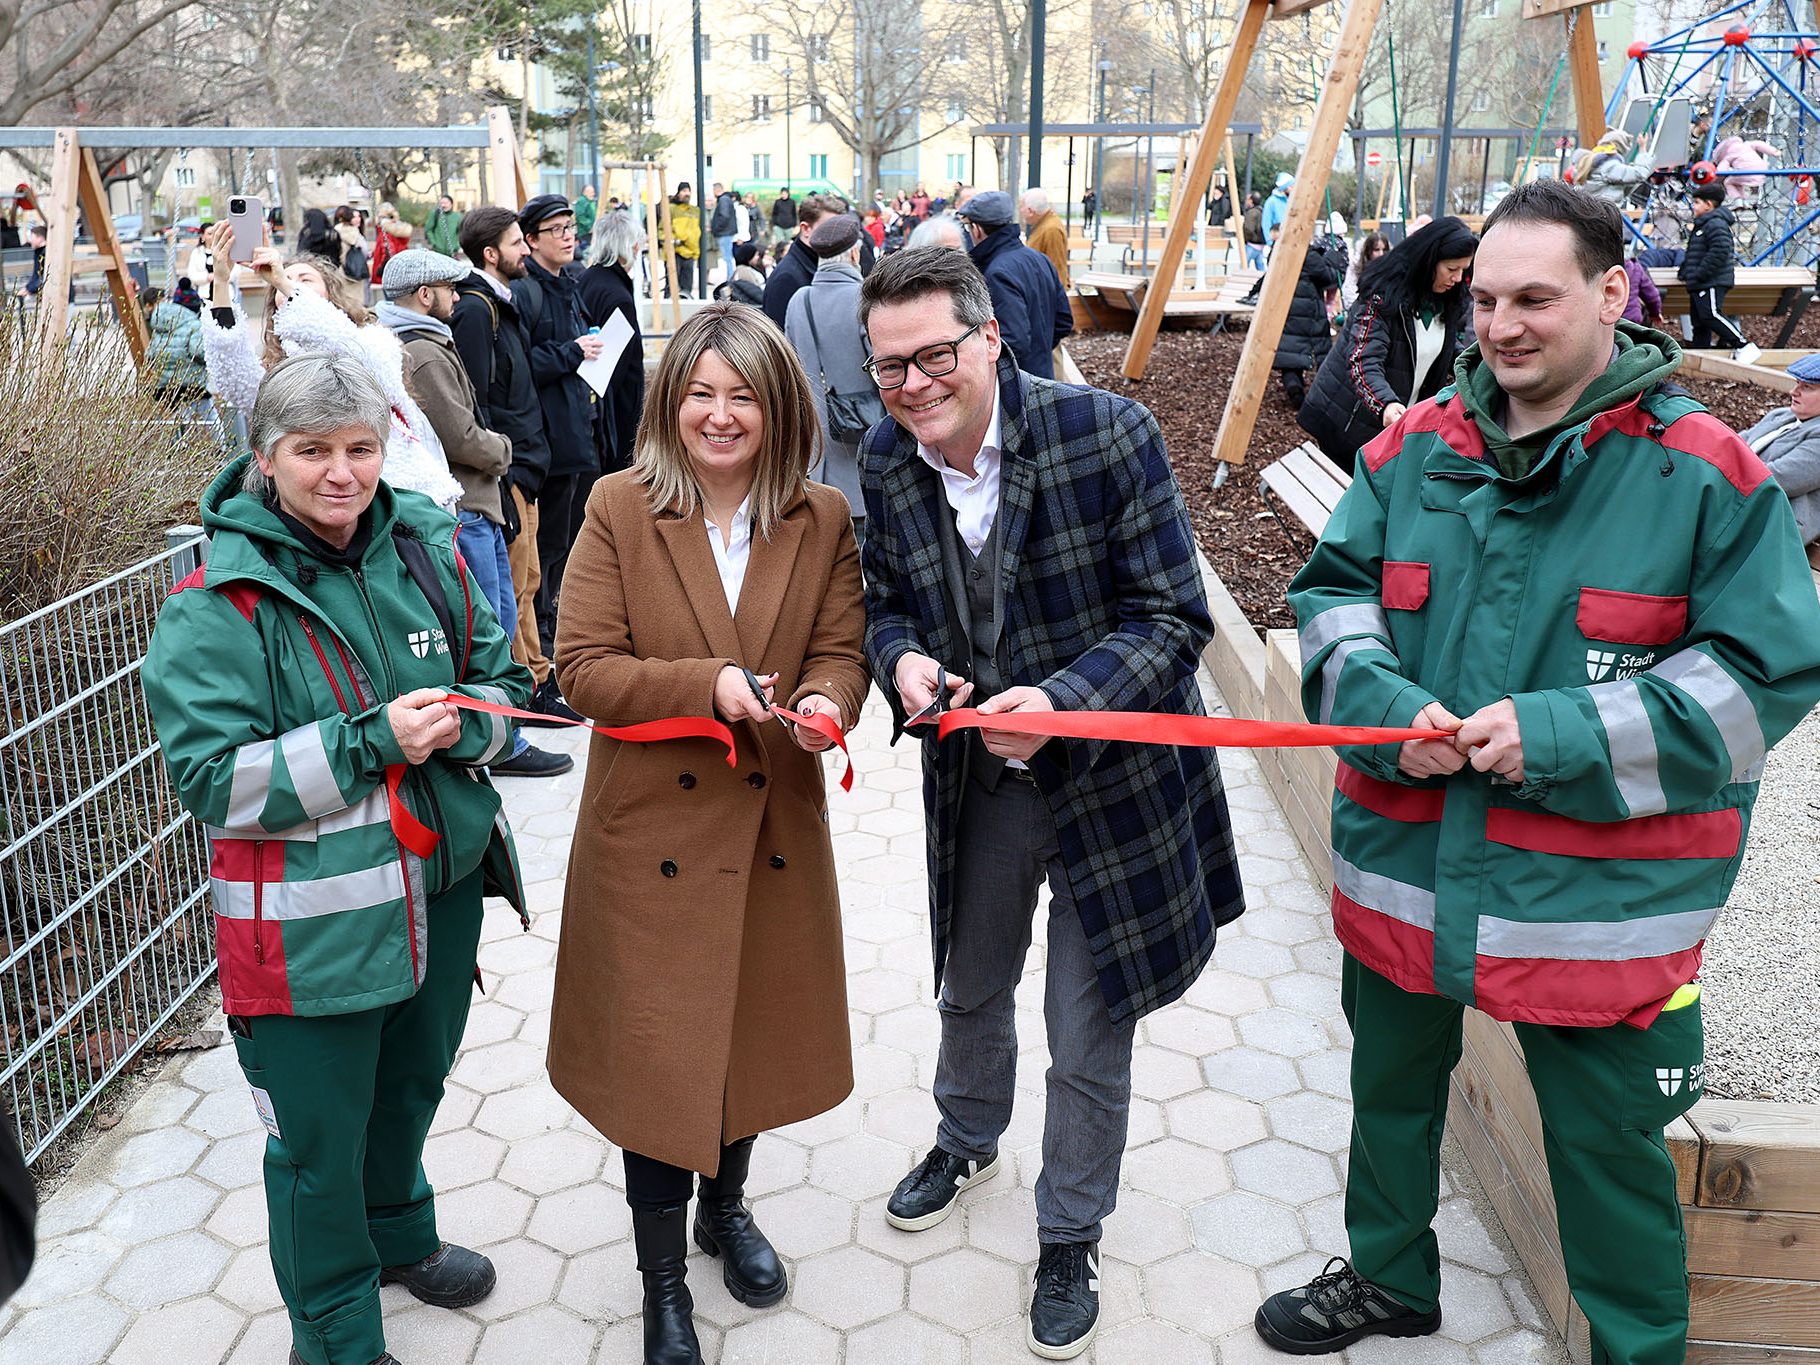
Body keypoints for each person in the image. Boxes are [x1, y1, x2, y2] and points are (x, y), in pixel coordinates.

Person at [1259, 175, 1820, 1363]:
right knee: (1388, 1099)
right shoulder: (1412, 450)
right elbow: (1331, 602)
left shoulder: (1702, 474)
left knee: (1609, 1157)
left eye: (1535, 298)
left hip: (1591, 916)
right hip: (1407, 873)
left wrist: (1558, 734)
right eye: (1486, 302)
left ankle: (1632, 1351)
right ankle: (1389, 1278)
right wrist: (1385, 706)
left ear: (1612, 293)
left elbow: (1763, 677)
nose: (1501, 325)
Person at [857, 247, 1243, 1360]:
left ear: (991, 341)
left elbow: (1174, 619)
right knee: (968, 985)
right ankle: (964, 1136)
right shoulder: (889, 458)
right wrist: (905, 665)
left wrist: (1065, 701)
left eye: (935, 354)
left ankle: (1070, 1232)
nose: (914, 384)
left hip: (1110, 786)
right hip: (978, 779)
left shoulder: (1102, 434)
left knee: (1088, 1029)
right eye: (889, 368)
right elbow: (885, 603)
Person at [145, 352, 535, 1365]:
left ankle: (401, 1236)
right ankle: (334, 1339)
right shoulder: (216, 603)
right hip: (306, 935)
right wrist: (372, 741)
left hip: (441, 893)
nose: (341, 474)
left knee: (411, 1091)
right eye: (311, 451)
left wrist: (468, 728)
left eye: (360, 449)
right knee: (316, 1149)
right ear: (263, 460)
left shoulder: (425, 547)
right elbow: (214, 785)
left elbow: (498, 684)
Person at [547, 301, 867, 1365]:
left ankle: (725, 1210)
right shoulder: (618, 507)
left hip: (771, 822)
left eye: (742, 396)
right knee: (657, 1060)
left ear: (779, 407)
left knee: (746, 1036)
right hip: (651, 840)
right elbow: (583, 669)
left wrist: (825, 705)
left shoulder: (818, 516)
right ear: (670, 403)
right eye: (699, 394)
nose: (720, 416)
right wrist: (711, 684)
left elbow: (839, 650)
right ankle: (661, 1284)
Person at [377, 248, 574, 779]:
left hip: (477, 501)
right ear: (425, 295)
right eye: (449, 288)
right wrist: (508, 450)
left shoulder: (430, 343)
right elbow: (459, 435)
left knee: (502, 615)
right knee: (487, 627)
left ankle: (504, 732)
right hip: (467, 504)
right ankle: (500, 741)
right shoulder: (423, 352)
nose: (458, 297)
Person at [199, 220, 462, 509]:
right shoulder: (280, 373)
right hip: (318, 505)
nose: (293, 284)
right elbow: (233, 374)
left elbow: (353, 355)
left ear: (328, 297)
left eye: (305, 280)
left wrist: (282, 281)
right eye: (288, 279)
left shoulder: (374, 340)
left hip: (399, 497)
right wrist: (221, 281)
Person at [450, 205, 582, 727]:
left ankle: (537, 682)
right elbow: (477, 400)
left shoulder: (497, 303)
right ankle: (524, 693)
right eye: (516, 242)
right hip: (511, 468)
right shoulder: (477, 312)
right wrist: (509, 456)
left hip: (525, 463)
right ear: (491, 253)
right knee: (517, 587)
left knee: (526, 580)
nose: (525, 249)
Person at [1296, 215, 1479, 471]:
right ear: (1429, 262)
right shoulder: (1383, 295)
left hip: (1400, 425)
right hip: (1350, 421)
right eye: (1451, 269)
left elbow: (1439, 350)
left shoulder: (1446, 301)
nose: (1458, 278)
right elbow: (1364, 359)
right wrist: (1386, 404)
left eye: (1463, 270)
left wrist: (1475, 365)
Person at [514, 194, 607, 670]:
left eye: (571, 227)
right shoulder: (526, 292)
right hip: (546, 441)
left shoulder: (569, 284)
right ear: (530, 241)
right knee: (546, 547)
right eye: (557, 230)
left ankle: (561, 625)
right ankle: (545, 640)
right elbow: (523, 364)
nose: (569, 236)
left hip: (576, 432)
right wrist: (573, 351)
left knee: (569, 540)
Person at [784, 214, 876, 535]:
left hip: (813, 458)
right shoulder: (867, 301)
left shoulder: (799, 301)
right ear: (854, 254)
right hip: (861, 450)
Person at [954, 190, 1073, 381]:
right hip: (1042, 374)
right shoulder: (1040, 259)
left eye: (968, 228)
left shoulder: (997, 272)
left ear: (977, 229)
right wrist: (1039, 352)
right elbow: (1064, 321)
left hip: (1018, 384)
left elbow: (1012, 341)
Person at [578, 207, 649, 478]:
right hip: (614, 417)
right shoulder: (618, 295)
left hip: (588, 413)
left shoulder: (585, 280)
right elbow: (614, 372)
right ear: (629, 246)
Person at [1736, 353, 1820, 543]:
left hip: (1772, 530)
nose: (1794, 391)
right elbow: (1732, 443)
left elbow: (1774, 479)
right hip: (1738, 511)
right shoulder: (1781, 415)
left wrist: (1720, 470)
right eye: (1797, 383)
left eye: (1806, 387)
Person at [1274, 233, 1348, 410]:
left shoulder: (1278, 253)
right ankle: (1324, 394)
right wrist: (1332, 260)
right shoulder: (1308, 255)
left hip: (1285, 310)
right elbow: (1330, 279)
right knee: (1321, 354)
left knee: (1290, 356)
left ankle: (1295, 390)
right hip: (1308, 311)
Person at [1679, 183, 1752, 353]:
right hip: (1700, 282)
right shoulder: (1703, 224)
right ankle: (1701, 354)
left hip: (1710, 280)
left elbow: (1720, 251)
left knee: (1710, 315)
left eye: (1697, 202)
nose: (1693, 206)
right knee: (1699, 323)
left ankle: (1742, 344)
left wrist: (1698, 274)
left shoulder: (1715, 224)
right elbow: (1695, 252)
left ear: (1709, 205)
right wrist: (1685, 270)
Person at [762, 192, 833, 328]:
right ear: (805, 229)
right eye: (828, 229)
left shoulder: (815, 264)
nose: (836, 235)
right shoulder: (787, 278)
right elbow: (781, 339)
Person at [145, 283, 213, 424]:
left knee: (173, 424)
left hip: (165, 387)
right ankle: (221, 445)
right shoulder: (192, 323)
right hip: (192, 385)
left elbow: (150, 355)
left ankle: (176, 444)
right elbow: (198, 351)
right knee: (210, 421)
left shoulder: (156, 327)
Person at [1573, 128, 1649, 207]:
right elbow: (1640, 174)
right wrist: (1642, 149)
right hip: (1605, 213)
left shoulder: (1591, 161)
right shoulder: (1610, 166)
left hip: (1591, 211)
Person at [1020, 187, 1070, 289]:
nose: (1020, 211)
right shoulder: (1043, 225)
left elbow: (1056, 268)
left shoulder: (1051, 230)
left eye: (1021, 207)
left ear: (1030, 211)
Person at [1341, 230, 1388, 311]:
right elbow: (1349, 293)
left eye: (1384, 250)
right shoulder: (1357, 268)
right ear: (1369, 251)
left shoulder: (1391, 269)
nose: (1381, 254)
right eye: (1376, 250)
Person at [669, 183, 701, 295]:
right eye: (683, 191)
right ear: (678, 193)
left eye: (688, 190)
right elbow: (663, 229)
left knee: (687, 285)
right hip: (676, 250)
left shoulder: (695, 210)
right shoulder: (672, 209)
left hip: (691, 251)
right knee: (672, 284)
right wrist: (673, 240)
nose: (686, 193)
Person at [369, 202, 412, 286]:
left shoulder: (386, 233)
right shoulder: (397, 231)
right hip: (399, 270)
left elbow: (387, 252)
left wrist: (379, 271)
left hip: (388, 273)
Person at [1622, 252, 1663, 327]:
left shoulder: (1601, 268)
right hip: (1631, 320)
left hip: (1605, 320)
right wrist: (1655, 314)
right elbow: (1652, 296)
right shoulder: (1634, 268)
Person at [722, 239, 767, 305]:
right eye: (756, 255)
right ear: (749, 255)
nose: (758, 257)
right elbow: (753, 291)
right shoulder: (744, 271)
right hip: (756, 304)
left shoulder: (747, 268)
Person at [710, 181, 739, 282]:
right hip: (726, 232)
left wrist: (716, 228)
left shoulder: (723, 200)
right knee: (728, 257)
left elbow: (724, 216)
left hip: (724, 233)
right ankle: (730, 277)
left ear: (717, 190)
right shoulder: (726, 199)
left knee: (727, 257)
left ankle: (730, 278)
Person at [1261, 173, 1294, 253]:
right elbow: (1266, 223)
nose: (1294, 188)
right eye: (1292, 185)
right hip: (1276, 243)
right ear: (1285, 187)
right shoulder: (1271, 202)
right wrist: (1270, 242)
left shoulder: (1292, 201)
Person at [573, 183, 598, 258]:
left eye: (593, 192)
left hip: (592, 231)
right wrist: (590, 227)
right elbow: (580, 217)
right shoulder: (582, 201)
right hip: (585, 232)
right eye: (591, 192)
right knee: (586, 250)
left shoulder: (591, 202)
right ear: (585, 192)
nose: (593, 194)